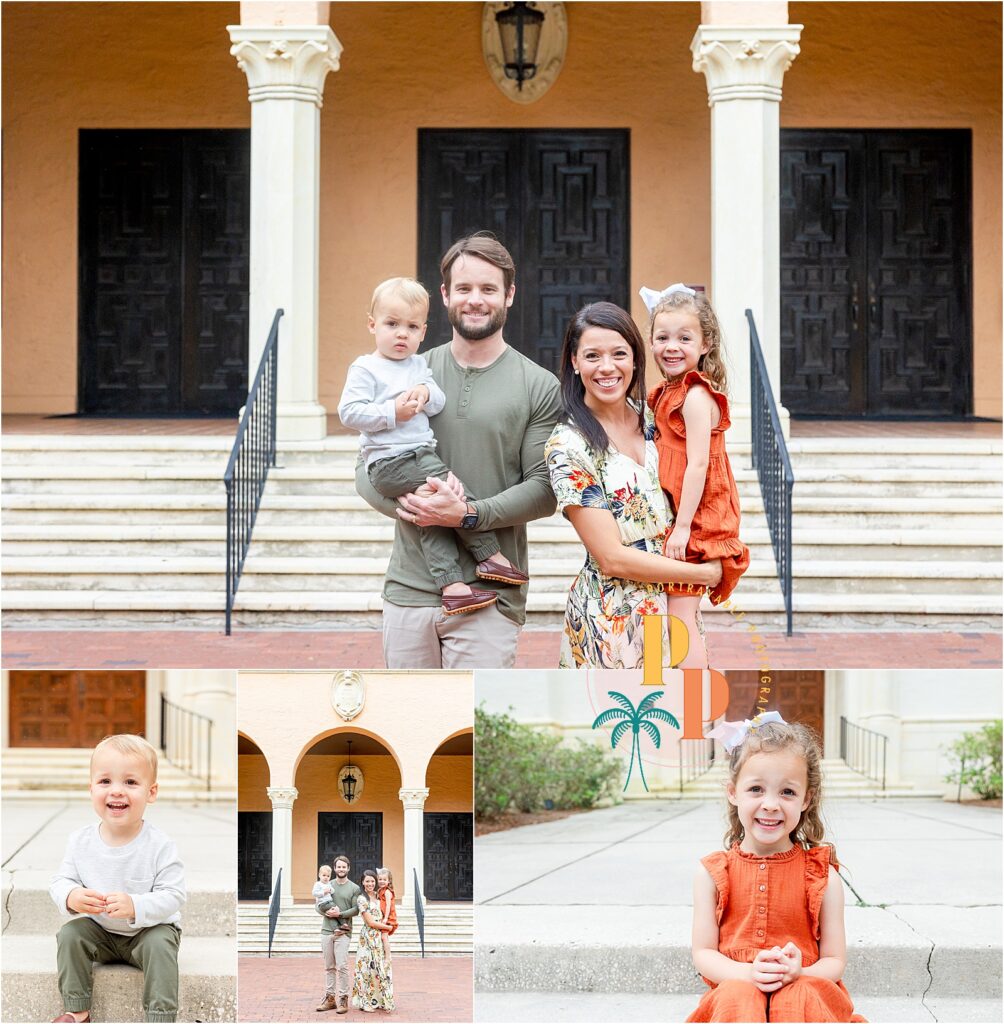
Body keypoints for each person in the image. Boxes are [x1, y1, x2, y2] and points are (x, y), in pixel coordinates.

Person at [355, 232, 562, 668]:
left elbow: (545, 490)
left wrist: (466, 515)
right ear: (446, 294)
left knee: (470, 732)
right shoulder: (406, 368)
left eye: (489, 289)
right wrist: (418, 508)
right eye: (464, 288)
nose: (475, 300)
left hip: (491, 599)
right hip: (410, 591)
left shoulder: (538, 384)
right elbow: (365, 468)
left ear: (509, 295)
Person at [544, 302, 723, 669]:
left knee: (684, 717)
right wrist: (703, 574)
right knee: (621, 720)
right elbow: (611, 557)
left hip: (674, 608)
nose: (607, 367)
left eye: (619, 354)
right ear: (574, 362)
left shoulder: (661, 418)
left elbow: (707, 477)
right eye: (592, 355)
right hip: (614, 617)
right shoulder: (568, 446)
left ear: (636, 360)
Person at [338, 276, 528, 617]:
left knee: (431, 517)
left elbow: (437, 402)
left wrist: (425, 393)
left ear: (423, 332)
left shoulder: (417, 365)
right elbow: (349, 412)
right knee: (454, 494)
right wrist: (391, 412)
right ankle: (489, 556)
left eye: (412, 327)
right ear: (372, 325)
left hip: (418, 456)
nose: (401, 334)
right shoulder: (366, 368)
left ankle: (453, 587)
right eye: (392, 324)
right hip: (390, 461)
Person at [687, 714, 867, 1023]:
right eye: (756, 789)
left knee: (797, 995)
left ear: (806, 799)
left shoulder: (822, 876)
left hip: (806, 989)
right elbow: (703, 953)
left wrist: (800, 972)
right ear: (733, 792)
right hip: (738, 988)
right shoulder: (713, 874)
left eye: (787, 792)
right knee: (737, 995)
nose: (771, 804)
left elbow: (834, 960)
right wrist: (747, 973)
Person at [643, 283, 750, 668]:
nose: (672, 346)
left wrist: (684, 527)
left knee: (680, 616)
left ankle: (689, 709)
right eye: (662, 337)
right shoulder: (667, 392)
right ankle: (655, 686)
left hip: (697, 520)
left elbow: (699, 465)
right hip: (673, 516)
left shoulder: (695, 396)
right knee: (659, 613)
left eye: (684, 338)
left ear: (705, 344)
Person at [49, 734, 185, 1024]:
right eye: (105, 781)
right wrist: (71, 896)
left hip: (148, 932)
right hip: (101, 932)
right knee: (71, 935)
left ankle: (160, 1017)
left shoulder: (159, 844)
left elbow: (173, 894)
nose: (117, 792)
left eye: (131, 782)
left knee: (162, 945)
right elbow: (60, 881)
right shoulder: (80, 841)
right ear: (91, 789)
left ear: (151, 792)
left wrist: (136, 905)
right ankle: (77, 1010)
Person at [315, 855, 360, 1014]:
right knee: (329, 967)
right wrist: (327, 911)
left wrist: (339, 914)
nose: (341, 869)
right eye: (338, 867)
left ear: (348, 868)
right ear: (334, 869)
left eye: (344, 867)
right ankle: (330, 999)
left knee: (342, 966)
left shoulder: (354, 888)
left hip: (344, 932)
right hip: (326, 931)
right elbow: (317, 906)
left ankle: (343, 999)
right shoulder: (326, 884)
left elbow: (356, 909)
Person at [351, 870, 394, 1013]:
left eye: (372, 881)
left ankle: (380, 999)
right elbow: (370, 922)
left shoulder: (379, 895)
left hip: (379, 938)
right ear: (362, 882)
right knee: (366, 969)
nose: (370, 884)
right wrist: (387, 927)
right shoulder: (361, 899)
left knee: (379, 968)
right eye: (367, 881)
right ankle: (365, 1001)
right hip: (368, 938)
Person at [376, 868, 398, 964]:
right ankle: (384, 954)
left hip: (389, 918)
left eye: (384, 880)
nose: (382, 881)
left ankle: (388, 957)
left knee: (384, 937)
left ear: (389, 881)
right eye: (380, 879)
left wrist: (385, 918)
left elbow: (388, 905)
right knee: (383, 937)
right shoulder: (380, 891)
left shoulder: (387, 892)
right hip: (383, 917)